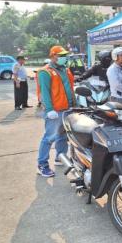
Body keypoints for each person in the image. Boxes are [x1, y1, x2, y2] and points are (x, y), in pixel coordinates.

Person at [37, 45, 75, 177]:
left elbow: (69, 88)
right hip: (55, 110)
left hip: (67, 108)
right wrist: (49, 109)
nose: (64, 58)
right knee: (49, 138)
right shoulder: (45, 72)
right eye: (61, 56)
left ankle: (60, 157)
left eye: (65, 56)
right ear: (53, 56)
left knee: (63, 136)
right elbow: (44, 92)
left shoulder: (65, 69)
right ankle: (42, 164)